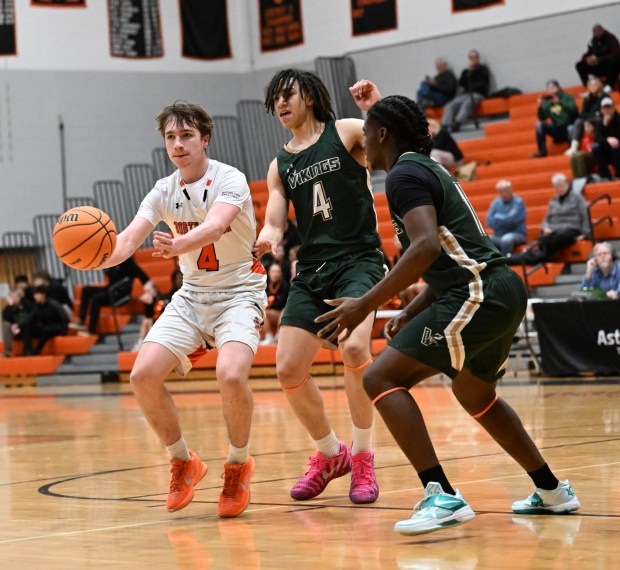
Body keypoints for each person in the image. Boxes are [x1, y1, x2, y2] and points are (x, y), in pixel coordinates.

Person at [315, 83, 580, 536]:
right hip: (496, 287)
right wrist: (415, 306)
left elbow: (424, 247)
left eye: (368, 133)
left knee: (379, 378)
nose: (363, 144)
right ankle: (552, 490)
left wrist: (366, 304)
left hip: (479, 292)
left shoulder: (403, 176)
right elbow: (449, 255)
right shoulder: (426, 168)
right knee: (475, 395)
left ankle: (440, 494)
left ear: (381, 135)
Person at [97, 102, 267, 518]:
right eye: (171, 137)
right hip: (192, 296)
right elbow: (129, 240)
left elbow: (216, 225)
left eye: (186, 135)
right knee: (142, 376)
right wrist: (96, 258)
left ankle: (238, 464)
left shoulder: (230, 178)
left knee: (230, 374)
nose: (178, 144)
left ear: (204, 139)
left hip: (239, 293)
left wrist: (178, 245)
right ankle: (183, 461)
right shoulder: (161, 190)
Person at [256, 68, 386, 504]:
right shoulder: (281, 164)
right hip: (311, 268)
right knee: (288, 369)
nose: (280, 104)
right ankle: (331, 454)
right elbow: (275, 222)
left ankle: (364, 456)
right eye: (274, 99)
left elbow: (396, 142)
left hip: (360, 260)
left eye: (287, 95)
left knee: (353, 350)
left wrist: (375, 107)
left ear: (308, 96)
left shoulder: (346, 132)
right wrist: (266, 240)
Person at [509, 173, 590, 265]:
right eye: (556, 187)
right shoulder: (553, 200)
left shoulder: (577, 197)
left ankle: (526, 258)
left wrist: (585, 234)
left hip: (571, 228)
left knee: (555, 238)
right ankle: (543, 257)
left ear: (567, 184)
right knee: (543, 238)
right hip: (554, 230)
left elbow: (585, 214)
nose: (559, 189)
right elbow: (546, 219)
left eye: (561, 186)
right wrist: (546, 228)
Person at [76, 256, 150, 334]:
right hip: (111, 289)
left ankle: (91, 330)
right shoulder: (110, 262)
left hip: (120, 293)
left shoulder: (127, 261)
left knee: (96, 299)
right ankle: (81, 320)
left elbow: (143, 277)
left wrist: (148, 290)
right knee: (87, 290)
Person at [440, 49, 490, 133]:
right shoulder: (466, 71)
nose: (473, 59)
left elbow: (482, 84)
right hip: (465, 94)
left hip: (477, 94)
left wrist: (473, 74)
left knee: (467, 103)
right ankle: (444, 125)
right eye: (471, 58)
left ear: (478, 58)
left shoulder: (483, 70)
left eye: (475, 57)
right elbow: (461, 83)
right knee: (450, 105)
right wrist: (469, 71)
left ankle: (457, 122)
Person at [530, 80, 578, 158]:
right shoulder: (548, 103)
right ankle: (542, 152)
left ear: (558, 87)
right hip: (557, 129)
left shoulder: (567, 97)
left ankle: (572, 149)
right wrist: (540, 107)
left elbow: (574, 111)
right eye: (548, 89)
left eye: (553, 87)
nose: (551, 90)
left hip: (569, 126)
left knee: (571, 128)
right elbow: (543, 118)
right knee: (539, 125)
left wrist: (560, 103)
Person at [18, 285, 69, 355]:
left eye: (36, 294)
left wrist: (63, 333)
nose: (34, 297)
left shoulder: (53, 304)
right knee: (26, 326)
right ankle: (27, 351)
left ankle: (36, 352)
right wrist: (18, 325)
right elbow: (29, 318)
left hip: (57, 327)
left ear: (43, 295)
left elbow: (64, 318)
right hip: (45, 328)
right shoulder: (37, 306)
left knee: (47, 329)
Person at [565, 76, 606, 156]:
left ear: (599, 85)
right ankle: (574, 147)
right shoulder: (587, 99)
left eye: (595, 84)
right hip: (589, 119)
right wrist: (588, 119)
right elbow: (583, 113)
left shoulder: (604, 96)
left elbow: (601, 112)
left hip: (601, 119)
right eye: (590, 85)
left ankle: (598, 143)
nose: (593, 87)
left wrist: (589, 119)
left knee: (597, 119)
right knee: (578, 121)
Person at [485, 179, 527, 256]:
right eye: (501, 191)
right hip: (499, 235)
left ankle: (505, 262)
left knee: (506, 239)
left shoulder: (518, 202)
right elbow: (489, 221)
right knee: (485, 238)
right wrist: (506, 219)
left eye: (506, 190)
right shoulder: (495, 203)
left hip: (517, 234)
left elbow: (513, 220)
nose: (504, 193)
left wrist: (497, 217)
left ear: (511, 190)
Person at [575, 24, 620, 89]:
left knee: (614, 60)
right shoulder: (593, 41)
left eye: (598, 32)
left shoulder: (611, 38)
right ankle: (589, 87)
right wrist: (586, 59)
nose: (596, 34)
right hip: (598, 66)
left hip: (610, 66)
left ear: (602, 31)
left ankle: (608, 87)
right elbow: (589, 52)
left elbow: (617, 53)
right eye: (594, 32)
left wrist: (599, 59)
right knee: (579, 64)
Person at [261, 262, 290, 345]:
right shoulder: (264, 285)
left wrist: (271, 301)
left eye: (277, 272)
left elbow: (284, 303)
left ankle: (279, 336)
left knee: (284, 311)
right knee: (261, 312)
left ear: (281, 273)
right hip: (270, 313)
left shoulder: (286, 286)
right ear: (269, 273)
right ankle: (269, 336)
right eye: (273, 272)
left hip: (282, 314)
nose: (275, 274)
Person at [592, 97, 620, 180]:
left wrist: (608, 127)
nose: (607, 110)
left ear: (613, 108)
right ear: (601, 110)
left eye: (609, 107)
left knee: (615, 146)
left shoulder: (618, 119)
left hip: (617, 148)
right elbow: (597, 138)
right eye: (605, 108)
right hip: (606, 150)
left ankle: (618, 175)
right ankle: (605, 176)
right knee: (596, 147)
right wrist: (605, 126)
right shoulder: (599, 122)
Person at [2, 287, 34, 356]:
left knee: (26, 325)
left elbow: (32, 317)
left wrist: (19, 324)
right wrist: (11, 307)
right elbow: (7, 320)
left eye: (15, 296)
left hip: (29, 328)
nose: (13, 298)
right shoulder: (7, 309)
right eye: (11, 297)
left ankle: (27, 351)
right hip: (16, 331)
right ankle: (8, 351)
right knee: (6, 324)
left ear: (20, 297)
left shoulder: (27, 304)